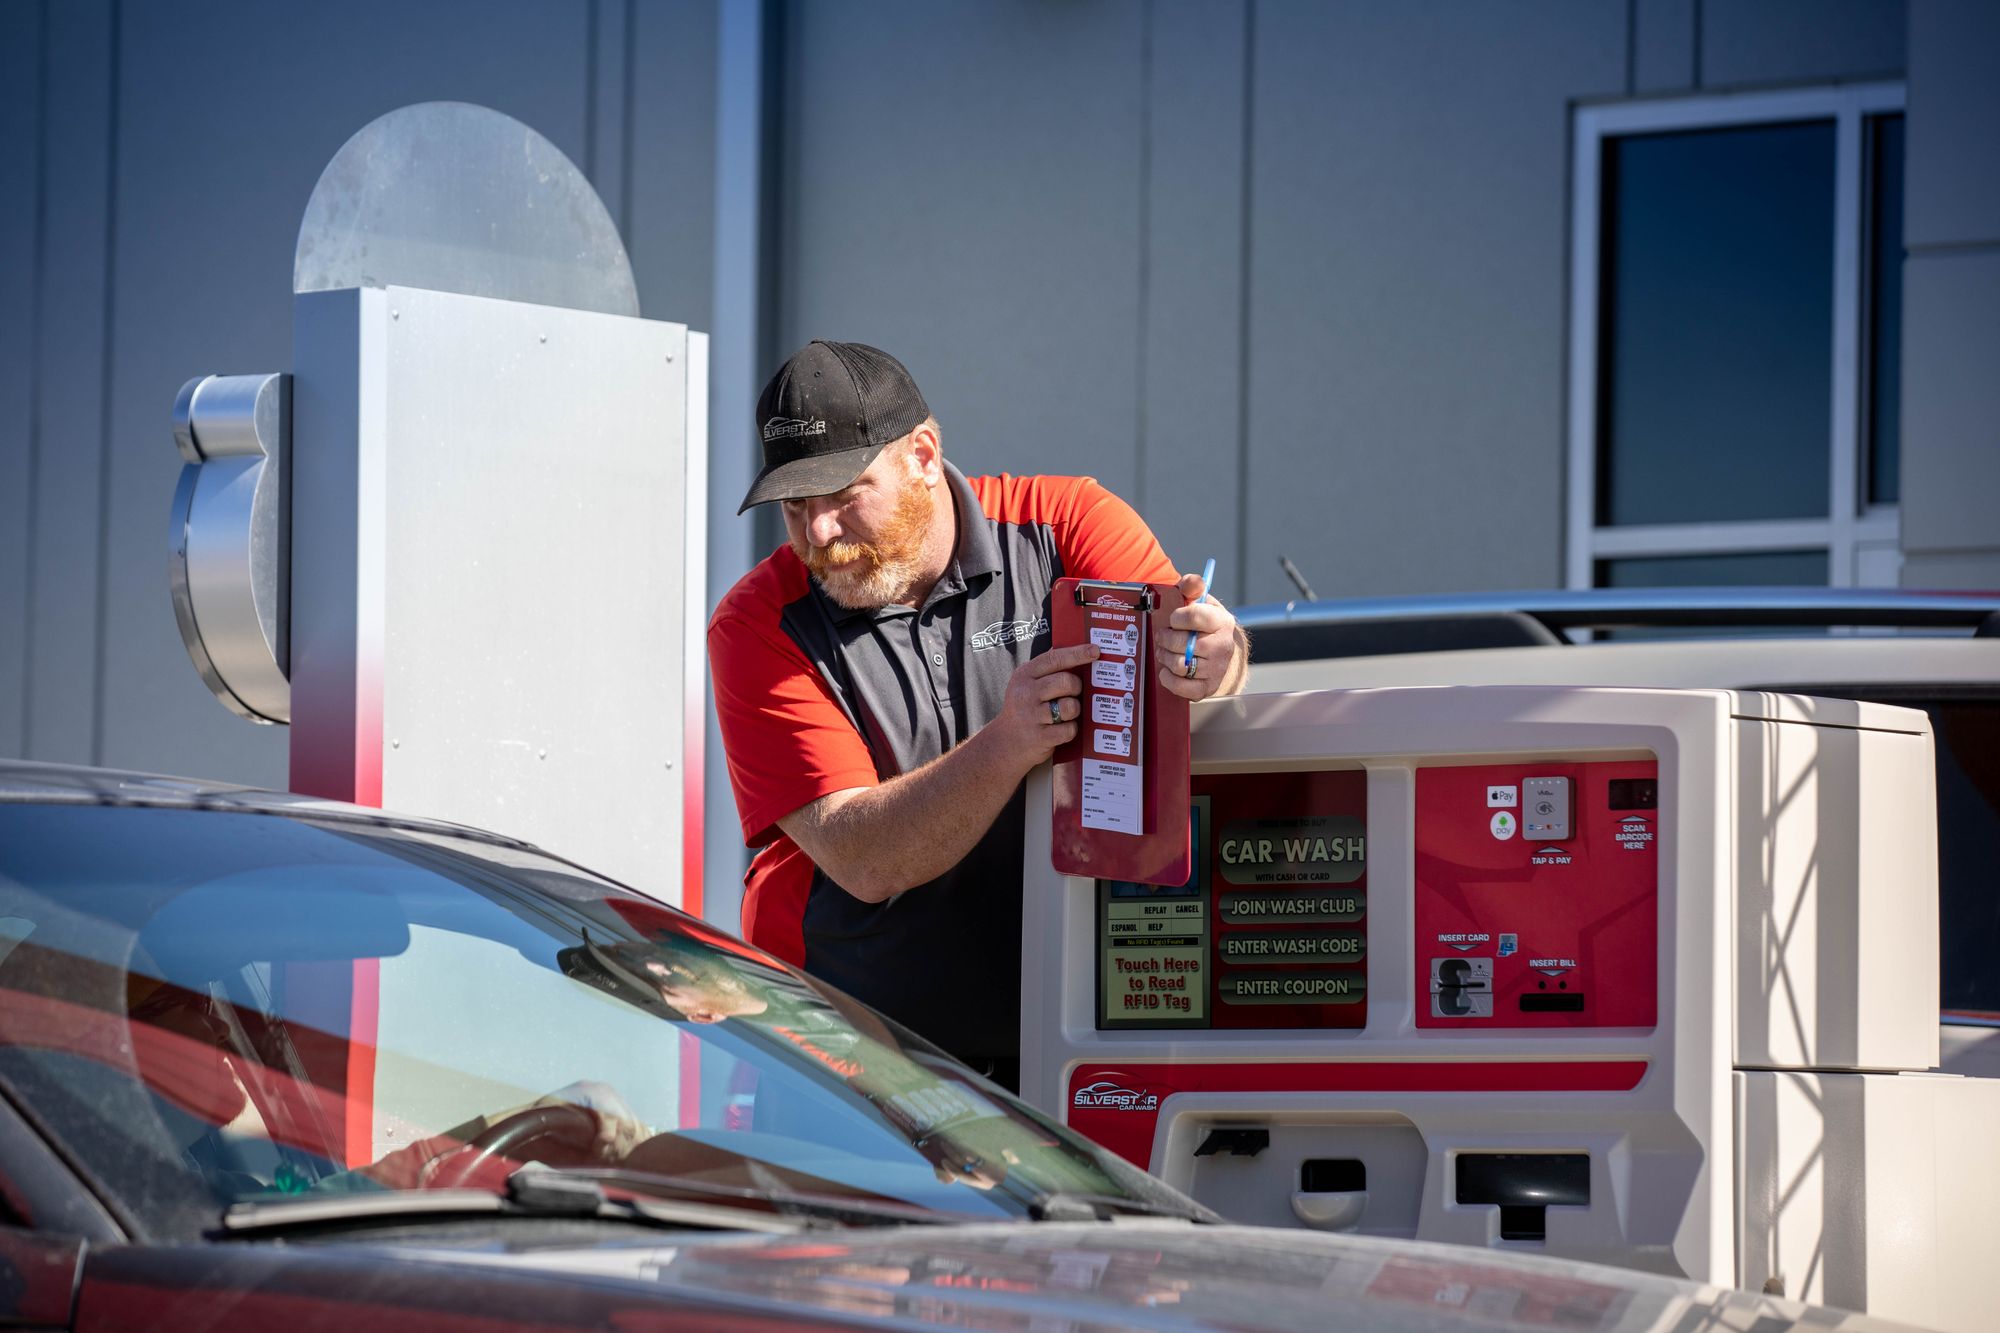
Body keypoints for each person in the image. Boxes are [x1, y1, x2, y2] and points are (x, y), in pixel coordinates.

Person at [709, 340, 1247, 1088]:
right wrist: (1010, 742)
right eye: (795, 506)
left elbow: (1189, 666)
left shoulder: (1064, 524)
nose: (819, 533)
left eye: (843, 495)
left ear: (923, 456)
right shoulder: (757, 622)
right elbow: (863, 857)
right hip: (849, 1053)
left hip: (1066, 1034)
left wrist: (1216, 658)